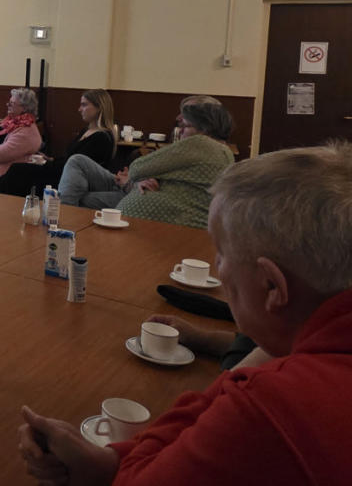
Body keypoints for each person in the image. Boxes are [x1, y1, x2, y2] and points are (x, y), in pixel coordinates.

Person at [19, 141, 352, 485]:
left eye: (221, 253)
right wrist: (116, 461)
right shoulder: (307, 349)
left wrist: (109, 470)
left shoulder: (270, 408)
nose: (218, 266)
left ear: (271, 286)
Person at [57, 99, 234, 228]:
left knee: (81, 196)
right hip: (134, 186)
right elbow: (154, 171)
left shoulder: (200, 144)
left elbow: (138, 168)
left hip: (134, 189)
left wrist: (135, 178)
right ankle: (64, 219)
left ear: (204, 126)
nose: (180, 125)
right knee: (77, 162)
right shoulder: (218, 152)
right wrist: (140, 178)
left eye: (185, 125)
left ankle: (62, 222)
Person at [0, 88, 117, 197]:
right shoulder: (86, 131)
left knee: (18, 172)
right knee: (17, 170)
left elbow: (76, 166)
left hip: (70, 180)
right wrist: (51, 159)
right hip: (62, 171)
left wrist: (46, 164)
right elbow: (69, 157)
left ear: (99, 107)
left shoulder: (102, 138)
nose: (79, 109)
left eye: (84, 105)